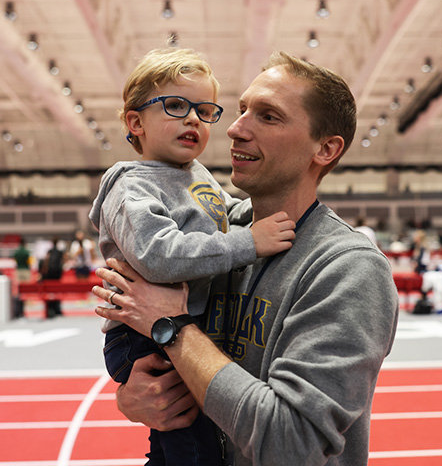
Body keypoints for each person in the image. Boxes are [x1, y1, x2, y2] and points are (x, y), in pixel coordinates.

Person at [93, 51, 399, 465]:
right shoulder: (217, 233)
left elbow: (290, 445)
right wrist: (135, 398)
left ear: (325, 149)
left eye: (268, 116)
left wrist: (173, 328)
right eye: (241, 112)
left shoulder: (348, 269)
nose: (235, 129)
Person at [88, 47, 296, 465]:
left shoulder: (194, 174)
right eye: (176, 105)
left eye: (204, 110)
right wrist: (249, 243)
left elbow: (226, 214)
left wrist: (264, 213)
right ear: (135, 122)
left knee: (179, 445)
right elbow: (159, 257)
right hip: (143, 337)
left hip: (180, 325)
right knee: (195, 447)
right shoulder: (133, 188)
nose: (193, 119)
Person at [40, 236, 65, 318]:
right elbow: (63, 261)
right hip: (57, 273)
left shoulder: (49, 251)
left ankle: (51, 308)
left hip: (50, 273)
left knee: (50, 291)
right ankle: (57, 308)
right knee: (56, 291)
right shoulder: (60, 252)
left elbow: (46, 261)